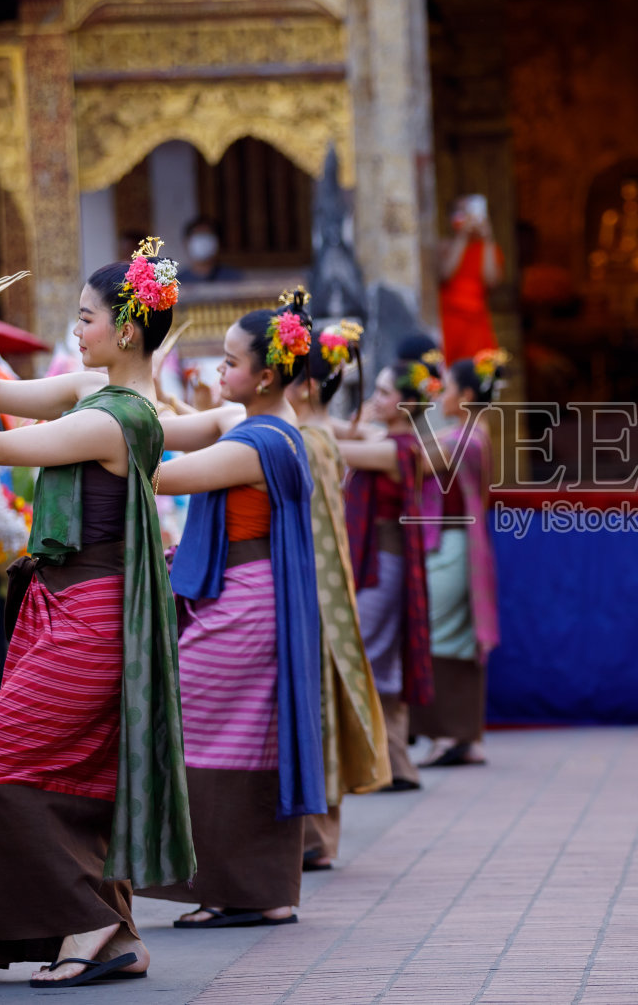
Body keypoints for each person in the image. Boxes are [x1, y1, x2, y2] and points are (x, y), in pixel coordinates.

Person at [0, 240, 193, 986]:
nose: (76, 331)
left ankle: (95, 917)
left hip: (92, 617)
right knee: (65, 771)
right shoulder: (92, 395)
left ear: (126, 330)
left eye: (85, 318)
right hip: (68, 608)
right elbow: (0, 395)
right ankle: (112, 928)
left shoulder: (115, 418)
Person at [143, 298, 327, 927]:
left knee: (197, 725)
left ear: (268, 375)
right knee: (235, 737)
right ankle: (250, 890)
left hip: (245, 605)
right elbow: (163, 431)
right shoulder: (252, 423)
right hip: (247, 597)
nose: (219, 372)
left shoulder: (261, 441)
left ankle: (244, 890)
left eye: (229, 362)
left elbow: (162, 474)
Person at [288, 320, 393, 869]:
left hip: (313, 585)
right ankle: (319, 837)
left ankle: (315, 839)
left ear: (305, 384)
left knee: (317, 705)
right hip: (327, 584)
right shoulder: (322, 434)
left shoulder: (305, 439)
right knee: (323, 701)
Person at [341, 350, 441, 789]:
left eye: (383, 391)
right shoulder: (389, 442)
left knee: (367, 657)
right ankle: (396, 765)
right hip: (380, 560)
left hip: (384, 561)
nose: (374, 398)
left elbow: (328, 443)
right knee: (378, 661)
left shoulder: (397, 450)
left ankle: (390, 765)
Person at [412, 350, 504, 768]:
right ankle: (464, 735)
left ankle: (450, 735)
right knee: (458, 639)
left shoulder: (460, 439)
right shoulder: (473, 432)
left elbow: (410, 464)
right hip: (460, 545)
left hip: (452, 547)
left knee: (441, 636)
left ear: (466, 394)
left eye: (446, 388)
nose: (440, 396)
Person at [438, 195, 501, 362]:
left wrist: (487, 237)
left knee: (480, 368)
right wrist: (462, 237)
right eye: (463, 213)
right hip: (451, 319)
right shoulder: (445, 245)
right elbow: (446, 274)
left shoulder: (486, 248)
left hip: (476, 320)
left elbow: (491, 280)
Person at [179, 216, 245, 284]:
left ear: (218, 242)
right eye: (199, 235)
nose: (203, 242)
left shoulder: (235, 279)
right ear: (186, 243)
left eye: (207, 235)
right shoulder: (177, 282)